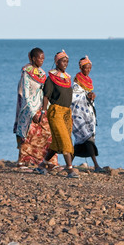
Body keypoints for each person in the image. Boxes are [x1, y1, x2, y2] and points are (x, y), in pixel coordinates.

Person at [34, 50, 78, 178]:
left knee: (58, 142)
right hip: (55, 112)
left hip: (66, 113)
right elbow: (46, 96)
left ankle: (42, 165)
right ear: (56, 61)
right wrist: (43, 111)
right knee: (64, 140)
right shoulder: (51, 78)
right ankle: (70, 169)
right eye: (63, 61)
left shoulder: (68, 78)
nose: (65, 64)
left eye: (67, 61)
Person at [13, 48, 58, 168]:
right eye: (40, 58)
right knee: (28, 135)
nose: (42, 60)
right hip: (29, 108)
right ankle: (23, 161)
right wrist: (32, 112)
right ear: (33, 58)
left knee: (48, 133)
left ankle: (48, 161)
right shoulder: (26, 72)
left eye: (43, 58)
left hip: (42, 107)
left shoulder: (42, 73)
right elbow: (26, 93)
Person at [70, 56, 103, 172]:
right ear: (81, 67)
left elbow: (88, 97)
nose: (88, 70)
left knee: (81, 141)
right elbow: (74, 97)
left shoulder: (89, 81)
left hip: (88, 115)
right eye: (86, 68)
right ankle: (96, 165)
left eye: (90, 68)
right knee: (87, 137)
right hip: (78, 114)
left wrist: (91, 97)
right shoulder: (76, 81)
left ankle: (69, 164)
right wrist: (86, 96)